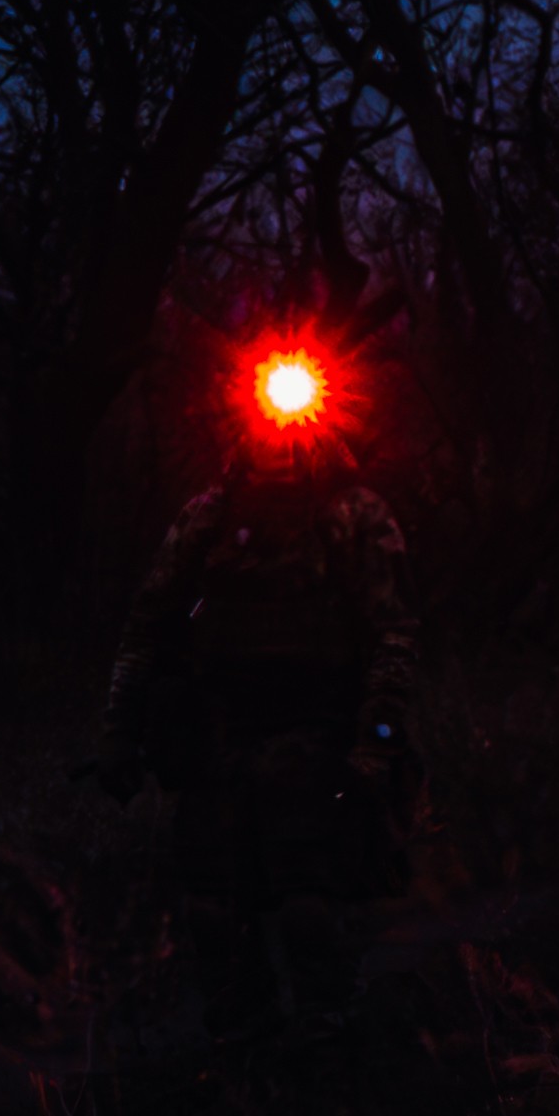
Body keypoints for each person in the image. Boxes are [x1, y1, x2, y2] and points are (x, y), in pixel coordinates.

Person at [98, 336, 422, 1034]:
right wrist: (119, 732)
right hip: (221, 742)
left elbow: (391, 637)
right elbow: (146, 627)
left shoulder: (351, 516)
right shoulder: (210, 517)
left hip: (317, 745)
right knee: (215, 915)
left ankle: (335, 1073)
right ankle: (239, 1069)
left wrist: (375, 748)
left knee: (311, 912)